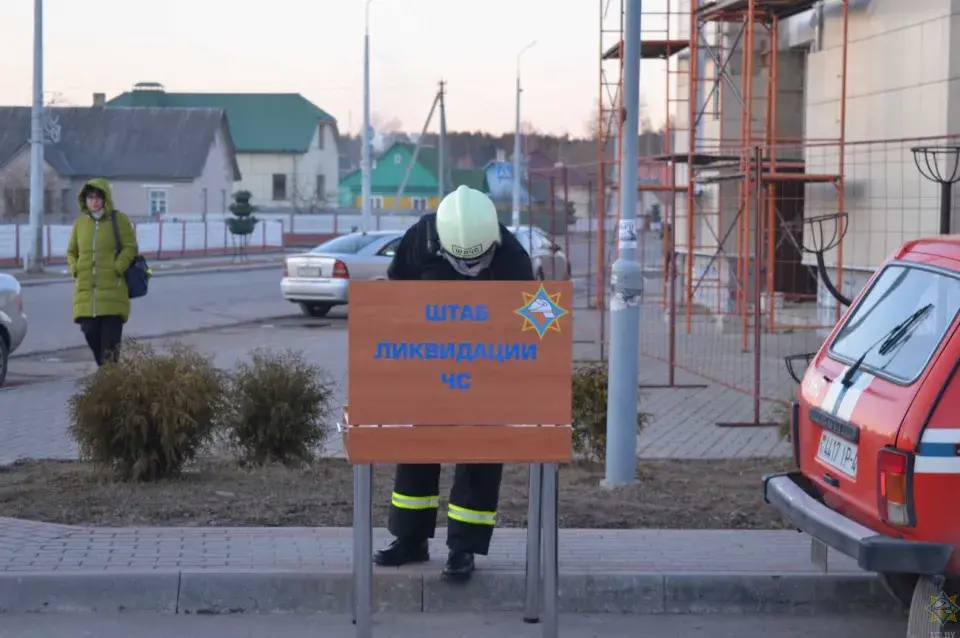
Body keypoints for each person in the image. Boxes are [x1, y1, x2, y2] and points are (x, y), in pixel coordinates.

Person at [374, 185, 535, 581]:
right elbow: (396, 293)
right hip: (428, 368)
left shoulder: (512, 255)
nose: (471, 270)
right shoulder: (421, 239)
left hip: (485, 373)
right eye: (462, 263)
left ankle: (464, 548)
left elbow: (528, 322)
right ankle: (410, 540)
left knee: (480, 455)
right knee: (418, 451)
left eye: (479, 263)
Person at [66, 178, 139, 367]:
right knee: (90, 332)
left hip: (113, 292)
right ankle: (109, 376)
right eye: (90, 197)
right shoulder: (80, 224)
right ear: (85, 200)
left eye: (98, 197)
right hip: (86, 294)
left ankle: (110, 381)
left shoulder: (118, 220)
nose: (94, 201)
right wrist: (74, 268)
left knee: (110, 346)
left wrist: (118, 266)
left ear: (105, 198)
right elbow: (71, 251)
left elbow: (130, 247)